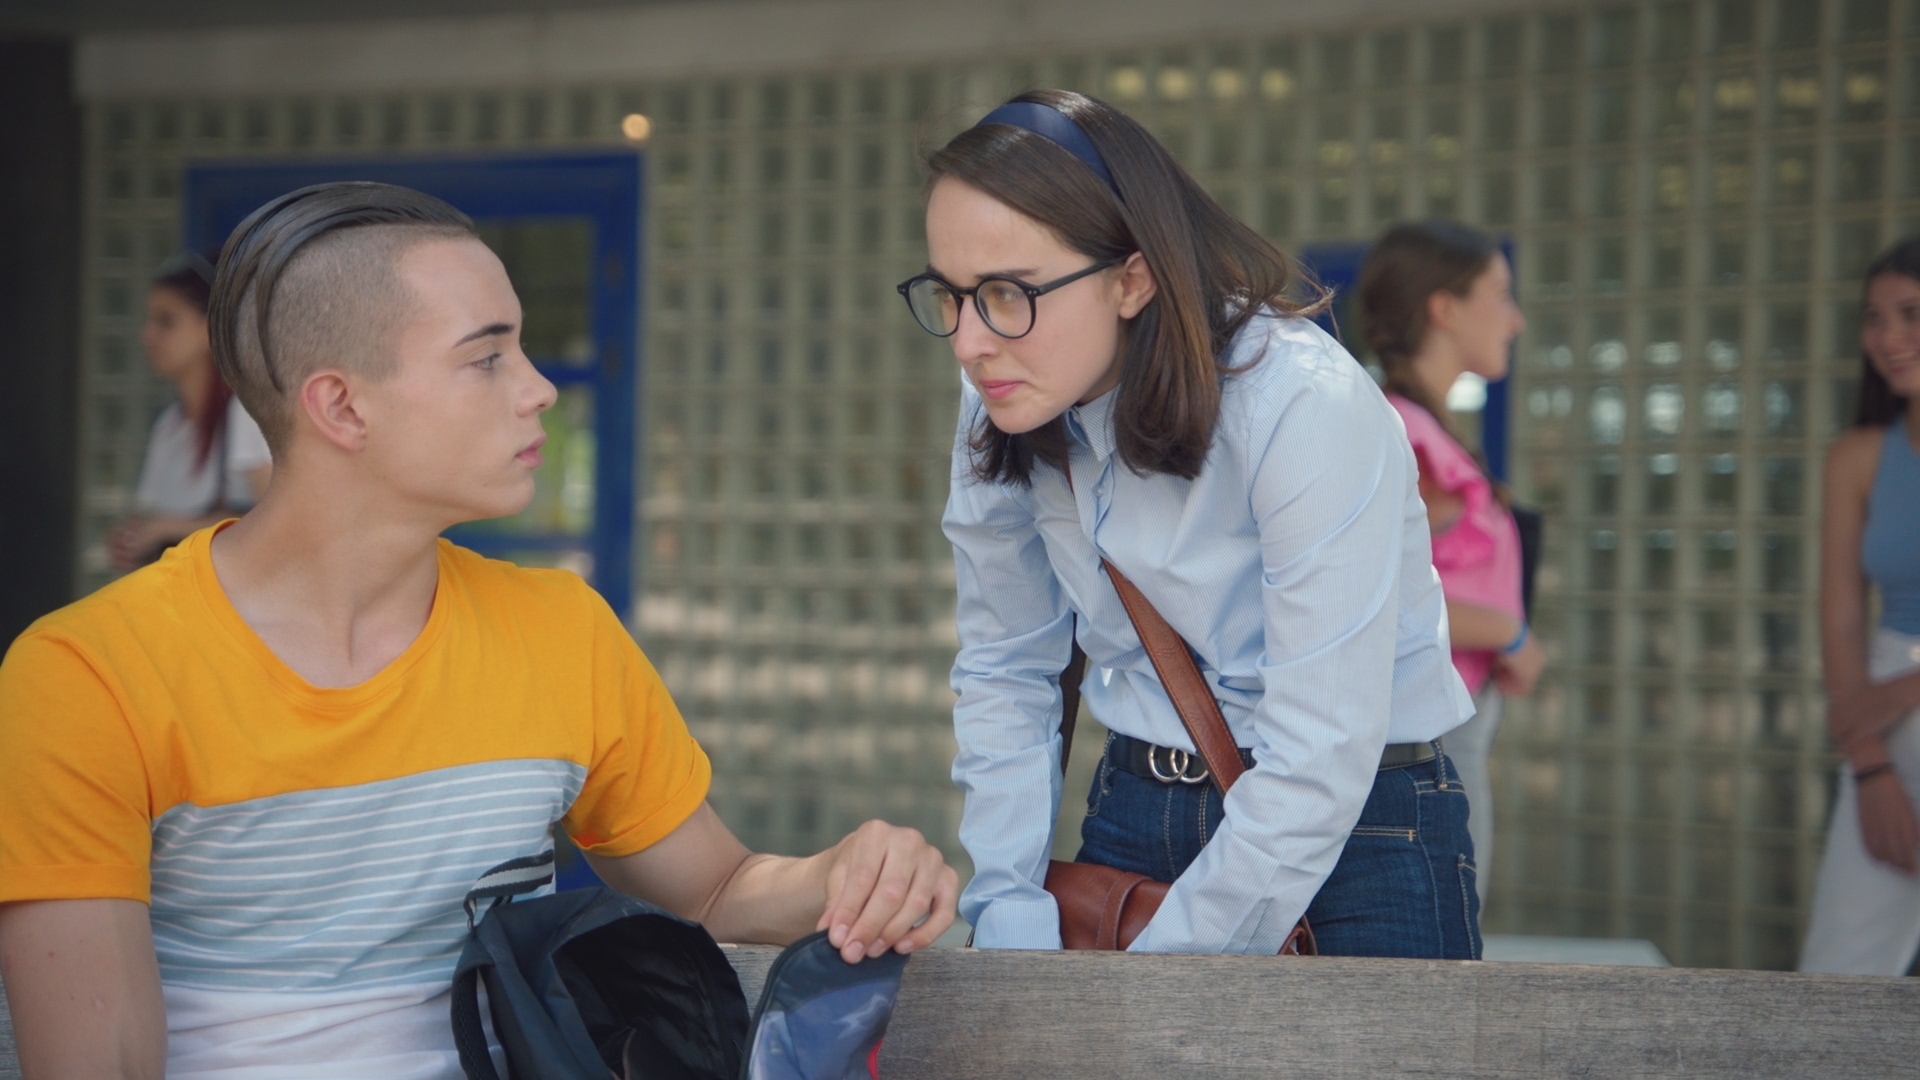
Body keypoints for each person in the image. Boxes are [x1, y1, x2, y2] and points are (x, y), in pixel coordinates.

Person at [0, 182, 956, 1078]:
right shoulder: (86, 674)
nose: (539, 389)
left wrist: (844, 873)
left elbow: (713, 890)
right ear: (342, 406)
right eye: (487, 356)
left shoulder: (561, 631)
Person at [912, 91, 1478, 958]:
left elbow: (1319, 754)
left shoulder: (1301, 403)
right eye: (950, 296)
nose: (968, 342)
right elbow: (1006, 665)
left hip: (1363, 833)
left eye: (1006, 293)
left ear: (1132, 279)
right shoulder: (1002, 389)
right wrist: (1009, 912)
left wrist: (1153, 989)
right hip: (1135, 804)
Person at [1354, 221, 1547, 908]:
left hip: (1448, 722)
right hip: (1423, 736)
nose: (1515, 319)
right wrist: (1509, 634)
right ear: (1444, 308)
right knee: (1446, 935)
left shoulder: (1425, 429)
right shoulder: (1403, 433)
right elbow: (1371, 592)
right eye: (1500, 294)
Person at [1799, 236, 1920, 976]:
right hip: (1887, 732)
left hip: (1893, 698)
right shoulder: (1859, 457)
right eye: (1874, 318)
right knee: (1840, 975)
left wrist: (1902, 692)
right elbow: (1841, 620)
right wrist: (1872, 771)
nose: (1889, 337)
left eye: (1911, 313)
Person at [106, 250, 273, 571]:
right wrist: (133, 540)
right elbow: (150, 519)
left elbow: (276, 524)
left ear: (209, 328)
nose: (147, 335)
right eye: (149, 321)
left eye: (166, 321)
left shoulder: (245, 414)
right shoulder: (168, 427)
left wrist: (167, 528)